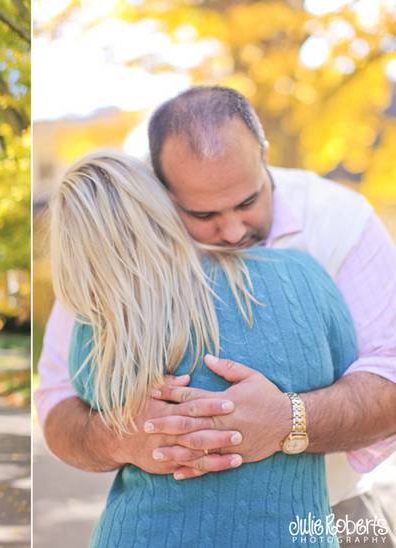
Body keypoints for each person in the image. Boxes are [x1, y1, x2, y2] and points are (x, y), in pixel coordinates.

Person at [35, 86, 396, 545]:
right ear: (163, 191)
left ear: (264, 156)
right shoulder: (126, 249)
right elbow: (58, 400)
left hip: (336, 511)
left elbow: (392, 374)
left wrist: (289, 419)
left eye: (248, 202)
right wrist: (121, 436)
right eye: (204, 213)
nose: (232, 230)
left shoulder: (340, 220)